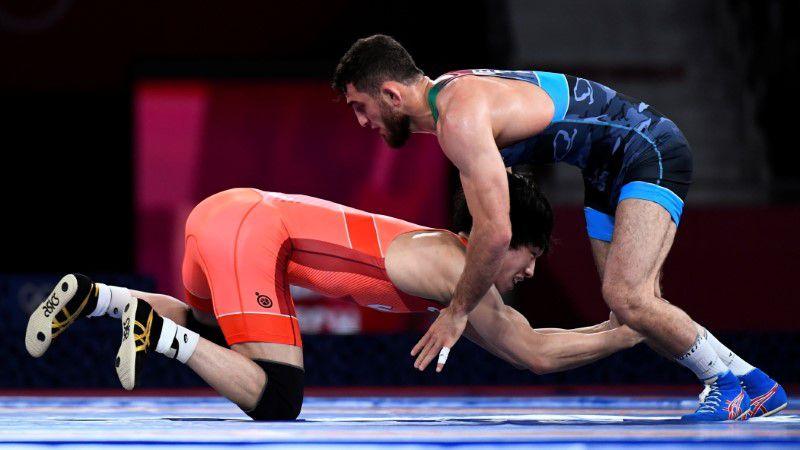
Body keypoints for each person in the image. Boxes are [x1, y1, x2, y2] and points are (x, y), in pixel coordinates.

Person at [332, 34, 787, 421]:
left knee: (629, 298)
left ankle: (737, 382)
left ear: (392, 95)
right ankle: (742, 378)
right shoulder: (451, 98)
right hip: (607, 166)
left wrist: (457, 311)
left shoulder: (458, 118)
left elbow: (495, 233)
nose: (361, 122)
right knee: (627, 310)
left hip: (647, 149)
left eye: (361, 106)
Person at [25, 176, 641, 421]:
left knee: (218, 334)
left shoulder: (442, 256)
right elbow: (530, 350)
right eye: (529, 254)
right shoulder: (457, 268)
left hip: (222, 211)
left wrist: (610, 327)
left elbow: (520, 338)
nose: (530, 270)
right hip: (250, 228)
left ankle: (98, 297)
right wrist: (630, 328)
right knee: (278, 396)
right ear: (499, 239)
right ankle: (155, 334)